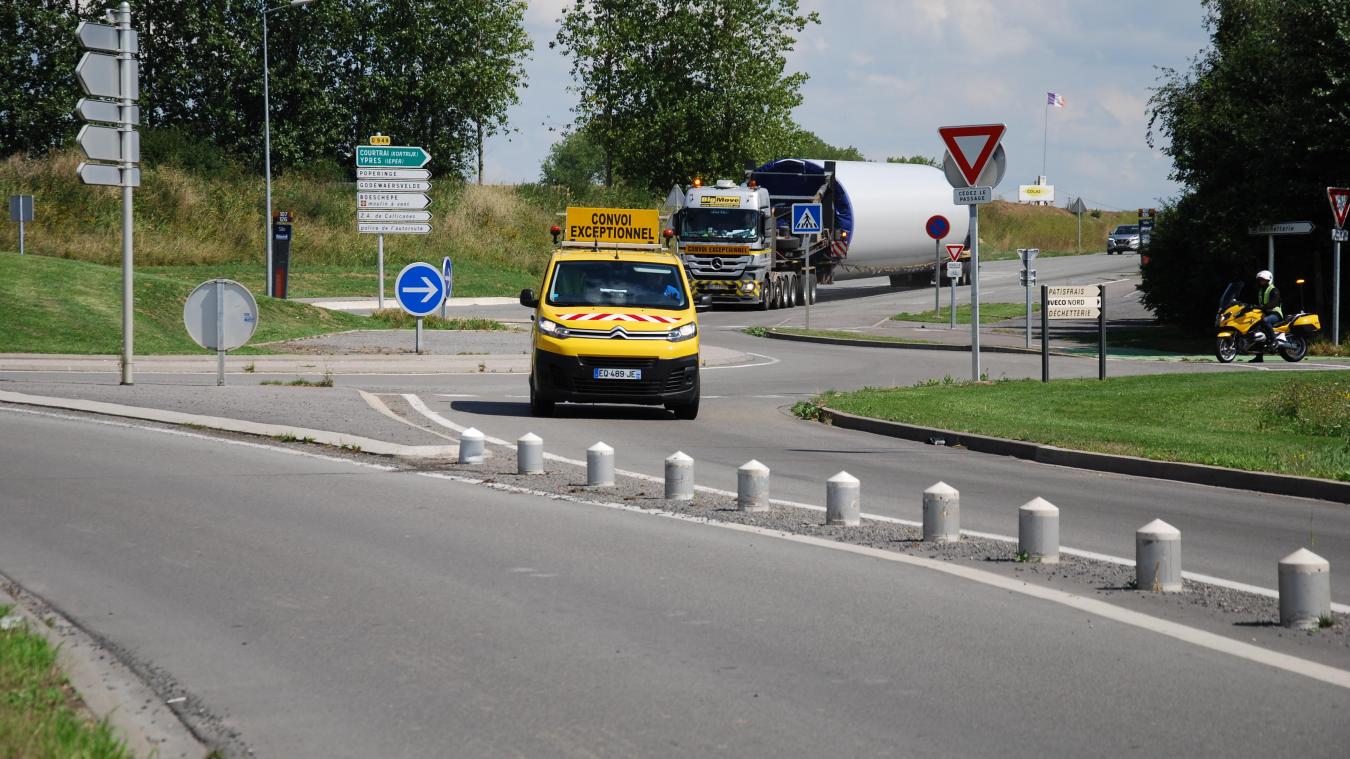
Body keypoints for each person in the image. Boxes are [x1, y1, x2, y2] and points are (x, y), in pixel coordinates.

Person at [1250, 270, 1283, 362]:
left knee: (1265, 321)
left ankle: (1274, 341)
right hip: (1265, 314)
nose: (1261, 281)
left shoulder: (1274, 290)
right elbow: (1257, 303)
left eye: (1263, 280)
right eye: (1260, 280)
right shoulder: (1261, 291)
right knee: (1256, 330)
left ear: (1269, 280)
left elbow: (1273, 303)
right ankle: (1259, 357)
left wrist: (1262, 307)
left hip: (1275, 314)